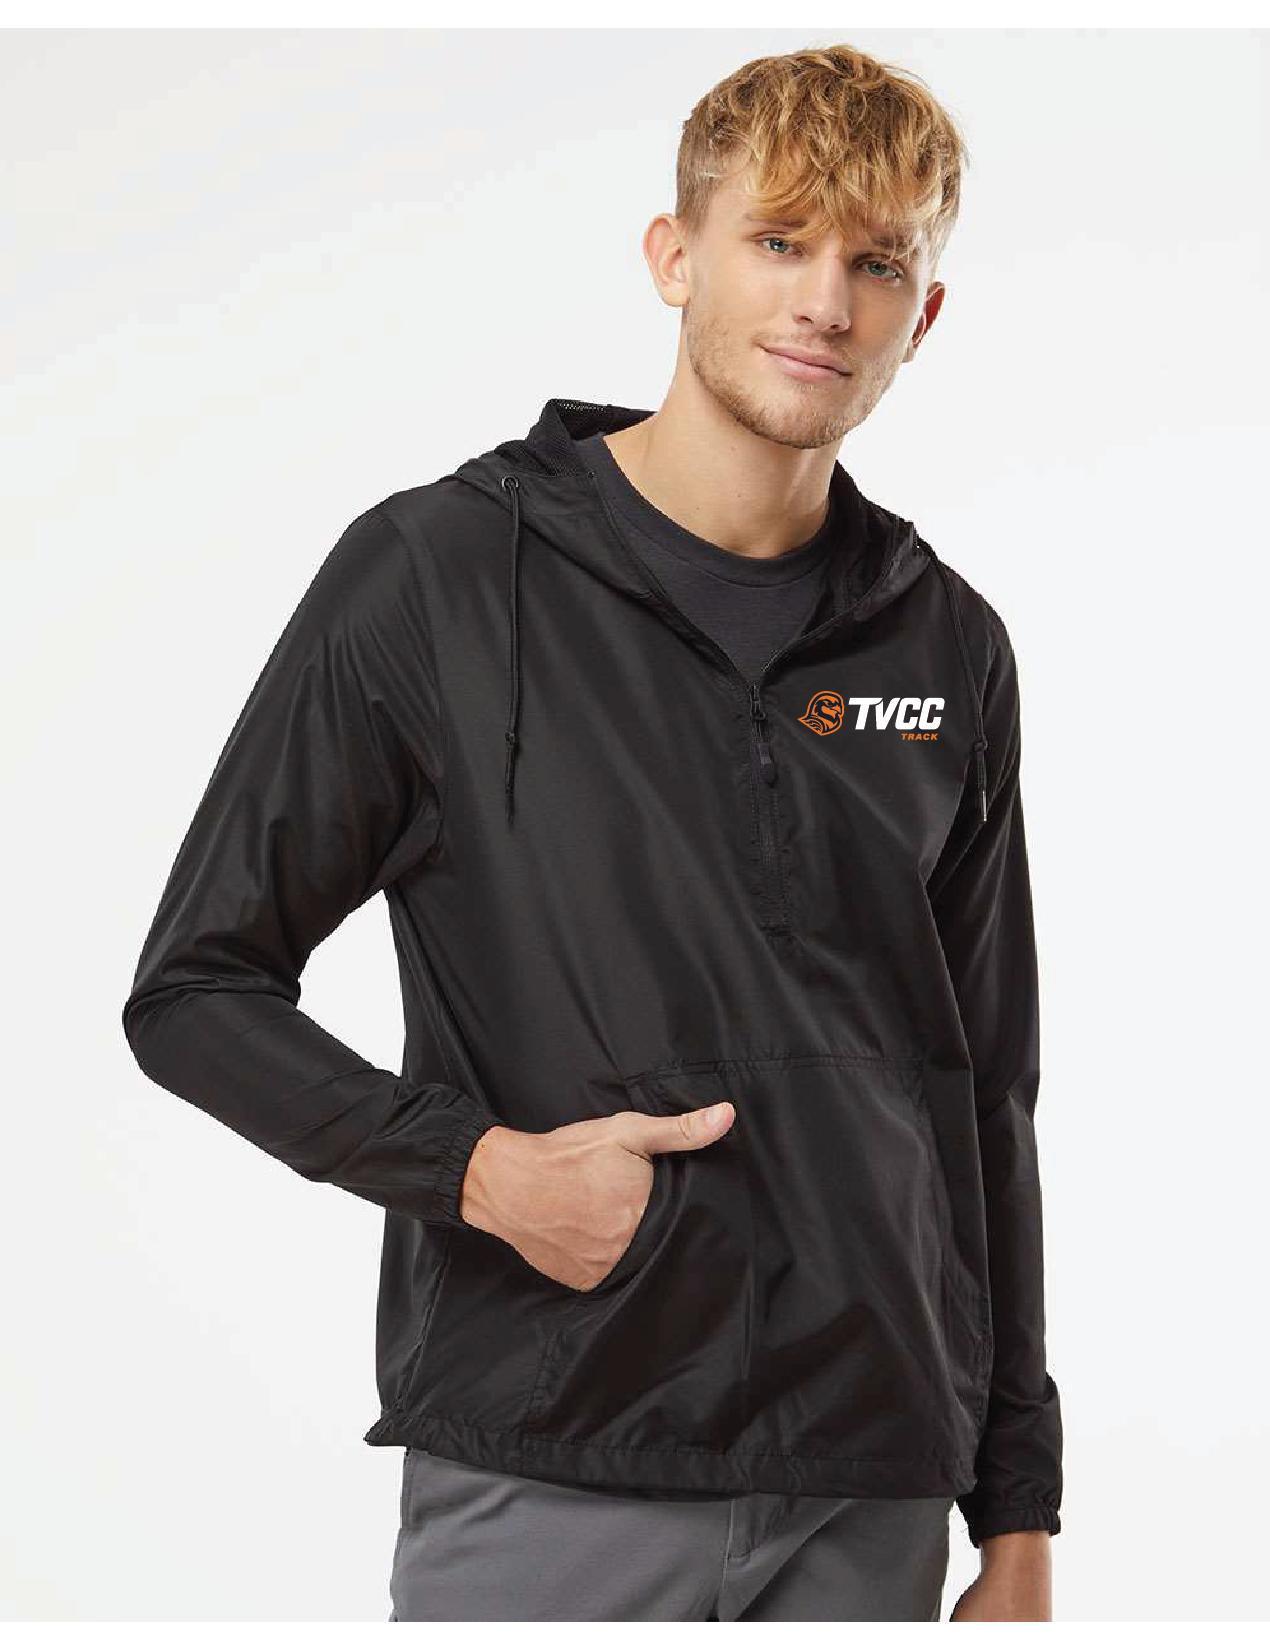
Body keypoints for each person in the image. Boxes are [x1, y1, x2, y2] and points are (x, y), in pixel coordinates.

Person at [121, 41, 1062, 1622]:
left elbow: (984, 1094)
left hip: (873, 1490)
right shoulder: (437, 578)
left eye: (874, 262)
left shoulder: (944, 642)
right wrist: (478, 1170)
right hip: (554, 1461)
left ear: (923, 313)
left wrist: (1016, 1508)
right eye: (778, 240)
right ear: (673, 256)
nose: (823, 302)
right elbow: (194, 991)